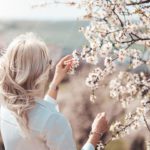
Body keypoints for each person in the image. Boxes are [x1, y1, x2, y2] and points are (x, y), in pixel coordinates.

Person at [0, 33, 108, 150]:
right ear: (39, 72)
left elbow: (39, 115)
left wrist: (56, 82)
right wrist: (96, 134)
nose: (50, 66)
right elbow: (45, 118)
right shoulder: (54, 120)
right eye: (48, 62)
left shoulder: (5, 109)